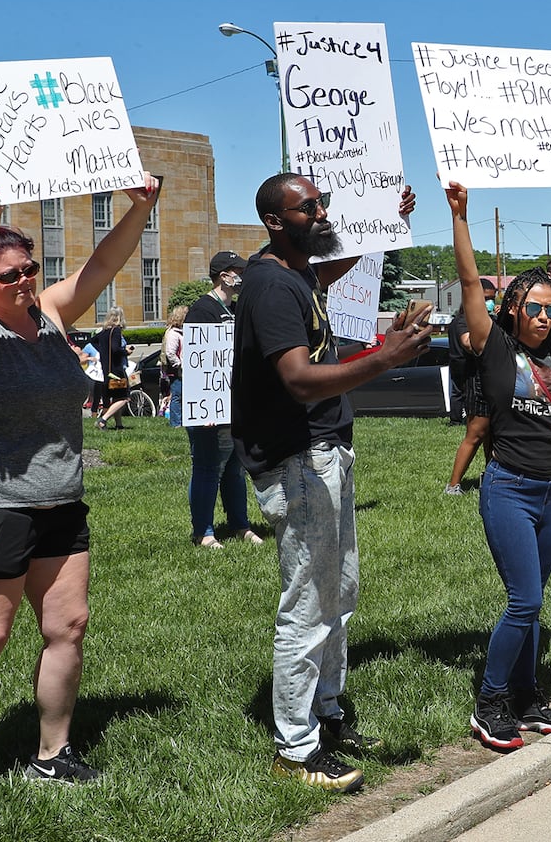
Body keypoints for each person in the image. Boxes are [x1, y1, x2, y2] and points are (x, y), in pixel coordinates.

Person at [0, 172, 160, 820]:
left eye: (29, 268)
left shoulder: (48, 315)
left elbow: (102, 264)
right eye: (10, 274)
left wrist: (140, 209)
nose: (24, 281)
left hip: (61, 500)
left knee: (68, 627)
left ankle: (51, 755)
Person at [231, 172, 427, 793]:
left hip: (324, 450)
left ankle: (327, 712)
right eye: (306, 207)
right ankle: (296, 747)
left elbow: (327, 274)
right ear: (273, 220)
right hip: (296, 458)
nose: (320, 213)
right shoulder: (268, 286)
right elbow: (296, 378)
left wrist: (382, 234)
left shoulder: (297, 275)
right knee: (309, 602)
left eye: (323, 204)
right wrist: (384, 359)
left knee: (338, 592)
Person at [448, 179, 551, 752]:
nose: (545, 316)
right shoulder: (496, 345)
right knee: (524, 600)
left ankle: (527, 699)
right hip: (509, 487)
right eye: (534, 308)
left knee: (535, 598)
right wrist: (460, 216)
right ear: (511, 309)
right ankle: (491, 702)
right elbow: (469, 281)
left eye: (550, 311)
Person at [185, 251, 260, 549]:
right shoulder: (201, 309)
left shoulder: (238, 308)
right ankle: (203, 531)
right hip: (209, 409)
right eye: (236, 270)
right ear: (223, 274)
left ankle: (239, 524)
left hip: (235, 404)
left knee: (234, 467)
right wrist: (204, 402)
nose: (240, 275)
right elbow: (197, 361)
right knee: (207, 467)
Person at [446, 278, 497, 493]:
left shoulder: (492, 319)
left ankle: (491, 475)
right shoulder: (464, 321)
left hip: (494, 382)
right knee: (475, 434)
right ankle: (454, 484)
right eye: (485, 299)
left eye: (492, 299)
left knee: (492, 435)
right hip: (477, 384)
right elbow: (469, 343)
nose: (489, 303)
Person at [87, 308, 132, 430]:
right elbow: (115, 349)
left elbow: (92, 341)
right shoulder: (116, 331)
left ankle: (119, 424)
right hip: (117, 370)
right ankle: (103, 420)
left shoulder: (104, 332)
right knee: (125, 397)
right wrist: (126, 352)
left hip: (107, 370)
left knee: (116, 397)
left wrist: (103, 352)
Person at [161, 304, 187, 426]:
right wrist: (179, 364)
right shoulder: (173, 333)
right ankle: (176, 423)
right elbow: (170, 353)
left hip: (183, 370)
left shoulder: (181, 332)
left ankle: (181, 420)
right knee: (177, 395)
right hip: (177, 371)